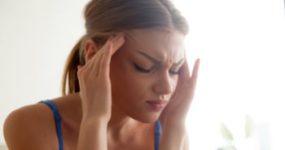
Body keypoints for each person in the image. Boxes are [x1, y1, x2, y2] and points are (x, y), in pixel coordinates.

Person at [3, 0, 200, 149]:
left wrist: (175, 125)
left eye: (175, 70)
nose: (166, 88)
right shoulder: (30, 125)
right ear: (92, 54)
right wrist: (94, 121)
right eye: (144, 66)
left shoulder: (170, 131)